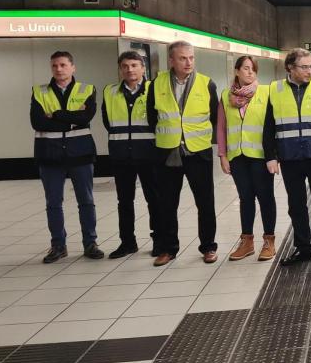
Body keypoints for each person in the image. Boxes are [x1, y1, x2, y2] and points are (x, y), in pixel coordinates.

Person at [147, 41, 219, 266]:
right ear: (171, 60)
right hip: (167, 152)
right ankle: (169, 248)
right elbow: (152, 117)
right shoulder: (157, 83)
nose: (188, 62)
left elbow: (215, 117)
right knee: (167, 203)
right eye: (182, 58)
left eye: (191, 58)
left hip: (198, 152)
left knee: (205, 202)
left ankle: (208, 247)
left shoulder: (207, 83)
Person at [266, 48, 311, 268]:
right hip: (290, 157)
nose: (309, 71)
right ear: (290, 67)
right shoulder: (276, 89)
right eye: (304, 67)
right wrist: (271, 156)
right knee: (296, 206)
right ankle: (303, 248)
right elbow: (269, 126)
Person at [31, 51, 103, 263]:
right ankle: (58, 245)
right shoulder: (39, 92)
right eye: (55, 65)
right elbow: (37, 122)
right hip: (49, 154)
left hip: (80, 153)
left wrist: (56, 114)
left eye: (63, 65)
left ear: (73, 67)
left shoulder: (87, 90)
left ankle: (90, 243)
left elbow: (86, 117)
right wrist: (72, 118)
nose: (59, 69)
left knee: (86, 201)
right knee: (53, 202)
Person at [218, 56, 277, 262]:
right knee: (245, 198)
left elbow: (272, 125)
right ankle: (247, 241)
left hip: (261, 156)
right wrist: (223, 155)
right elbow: (222, 128)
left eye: (253, 69)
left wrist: (274, 156)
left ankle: (269, 240)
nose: (250, 72)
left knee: (265, 197)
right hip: (237, 156)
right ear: (236, 71)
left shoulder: (266, 92)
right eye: (245, 68)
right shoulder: (226, 96)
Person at [102, 51, 160, 259]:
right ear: (120, 70)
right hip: (121, 156)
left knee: (154, 199)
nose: (130, 70)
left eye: (134, 65)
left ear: (143, 68)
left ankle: (159, 241)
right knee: (124, 201)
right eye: (125, 66)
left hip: (149, 154)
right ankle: (127, 242)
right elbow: (108, 122)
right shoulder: (110, 92)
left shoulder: (154, 89)